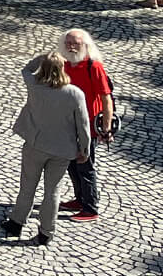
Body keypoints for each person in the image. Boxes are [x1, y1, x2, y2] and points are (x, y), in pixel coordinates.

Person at [0, 51, 92, 245]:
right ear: (63, 68)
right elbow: (83, 125)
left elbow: (26, 69)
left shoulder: (34, 86)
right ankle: (46, 232)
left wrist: (42, 57)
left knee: (27, 187)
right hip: (62, 151)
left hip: (36, 145)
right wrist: (85, 150)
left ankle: (16, 222)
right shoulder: (75, 94)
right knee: (53, 192)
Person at [60, 28, 114, 221]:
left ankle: (91, 208)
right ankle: (80, 198)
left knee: (85, 165)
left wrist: (106, 128)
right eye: (68, 43)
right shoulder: (65, 64)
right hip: (68, 124)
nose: (71, 47)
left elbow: (106, 99)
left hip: (87, 126)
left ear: (85, 45)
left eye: (76, 43)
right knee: (71, 164)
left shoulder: (94, 66)